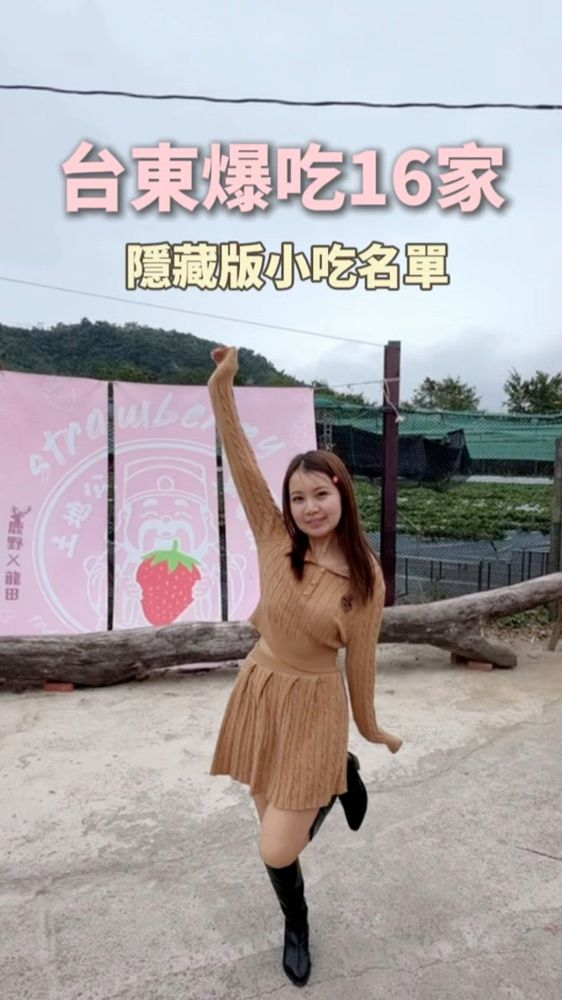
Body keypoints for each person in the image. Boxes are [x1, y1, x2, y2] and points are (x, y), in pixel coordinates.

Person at [208, 345, 402, 987]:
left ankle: (299, 919)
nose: (309, 506)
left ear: (342, 494)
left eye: (321, 493)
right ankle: (332, 790)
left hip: (316, 705)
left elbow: (361, 664)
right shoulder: (274, 536)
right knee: (269, 817)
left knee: (276, 844)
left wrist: (369, 728)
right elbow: (239, 457)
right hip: (261, 689)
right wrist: (222, 386)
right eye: (298, 497)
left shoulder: (365, 577)